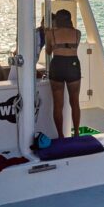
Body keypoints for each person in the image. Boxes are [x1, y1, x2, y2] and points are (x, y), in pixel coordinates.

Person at [45, 9, 81, 139]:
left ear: (57, 20)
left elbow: (48, 52)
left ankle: (61, 135)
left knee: (58, 104)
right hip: (73, 65)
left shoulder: (50, 33)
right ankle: (76, 133)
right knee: (75, 102)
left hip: (57, 65)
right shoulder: (78, 33)